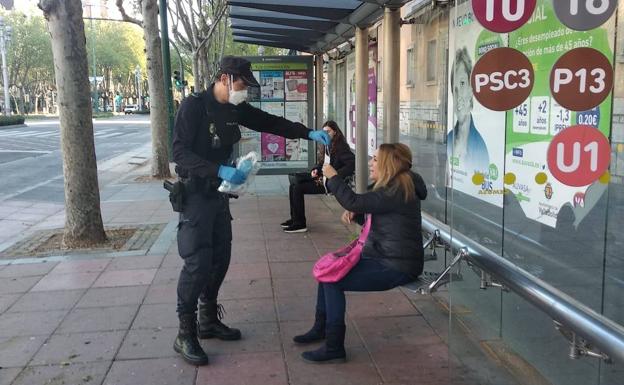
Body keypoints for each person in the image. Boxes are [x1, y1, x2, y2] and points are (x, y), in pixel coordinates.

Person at [171, 56, 330, 366]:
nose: (244, 89)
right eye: (242, 83)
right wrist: (217, 169)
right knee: (197, 262)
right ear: (226, 78)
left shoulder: (233, 108)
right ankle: (184, 332)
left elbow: (269, 122)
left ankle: (207, 320)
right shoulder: (194, 106)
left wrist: (308, 132)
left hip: (219, 195)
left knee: (221, 258)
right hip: (195, 195)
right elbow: (178, 152)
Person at [293, 143, 428, 363]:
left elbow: (353, 200)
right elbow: (379, 219)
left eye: (375, 159)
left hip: (396, 265)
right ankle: (320, 329)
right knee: (329, 270)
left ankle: (334, 347)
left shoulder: (397, 189)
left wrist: (333, 177)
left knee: (332, 280)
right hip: (386, 256)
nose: (371, 163)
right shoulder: (395, 187)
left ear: (387, 164)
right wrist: (356, 217)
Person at [282, 121, 355, 233]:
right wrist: (315, 170)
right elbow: (321, 163)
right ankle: (295, 219)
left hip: (330, 182)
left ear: (335, 132)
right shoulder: (326, 144)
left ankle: (300, 223)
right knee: (293, 185)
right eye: (324, 131)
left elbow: (352, 163)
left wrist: (335, 174)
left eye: (328, 131)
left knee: (298, 188)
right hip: (322, 179)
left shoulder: (341, 147)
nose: (325, 134)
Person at [447, 47, 489, 176]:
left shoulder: (480, 147)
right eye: (454, 89)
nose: (458, 95)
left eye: (462, 84)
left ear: (472, 90)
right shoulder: (449, 138)